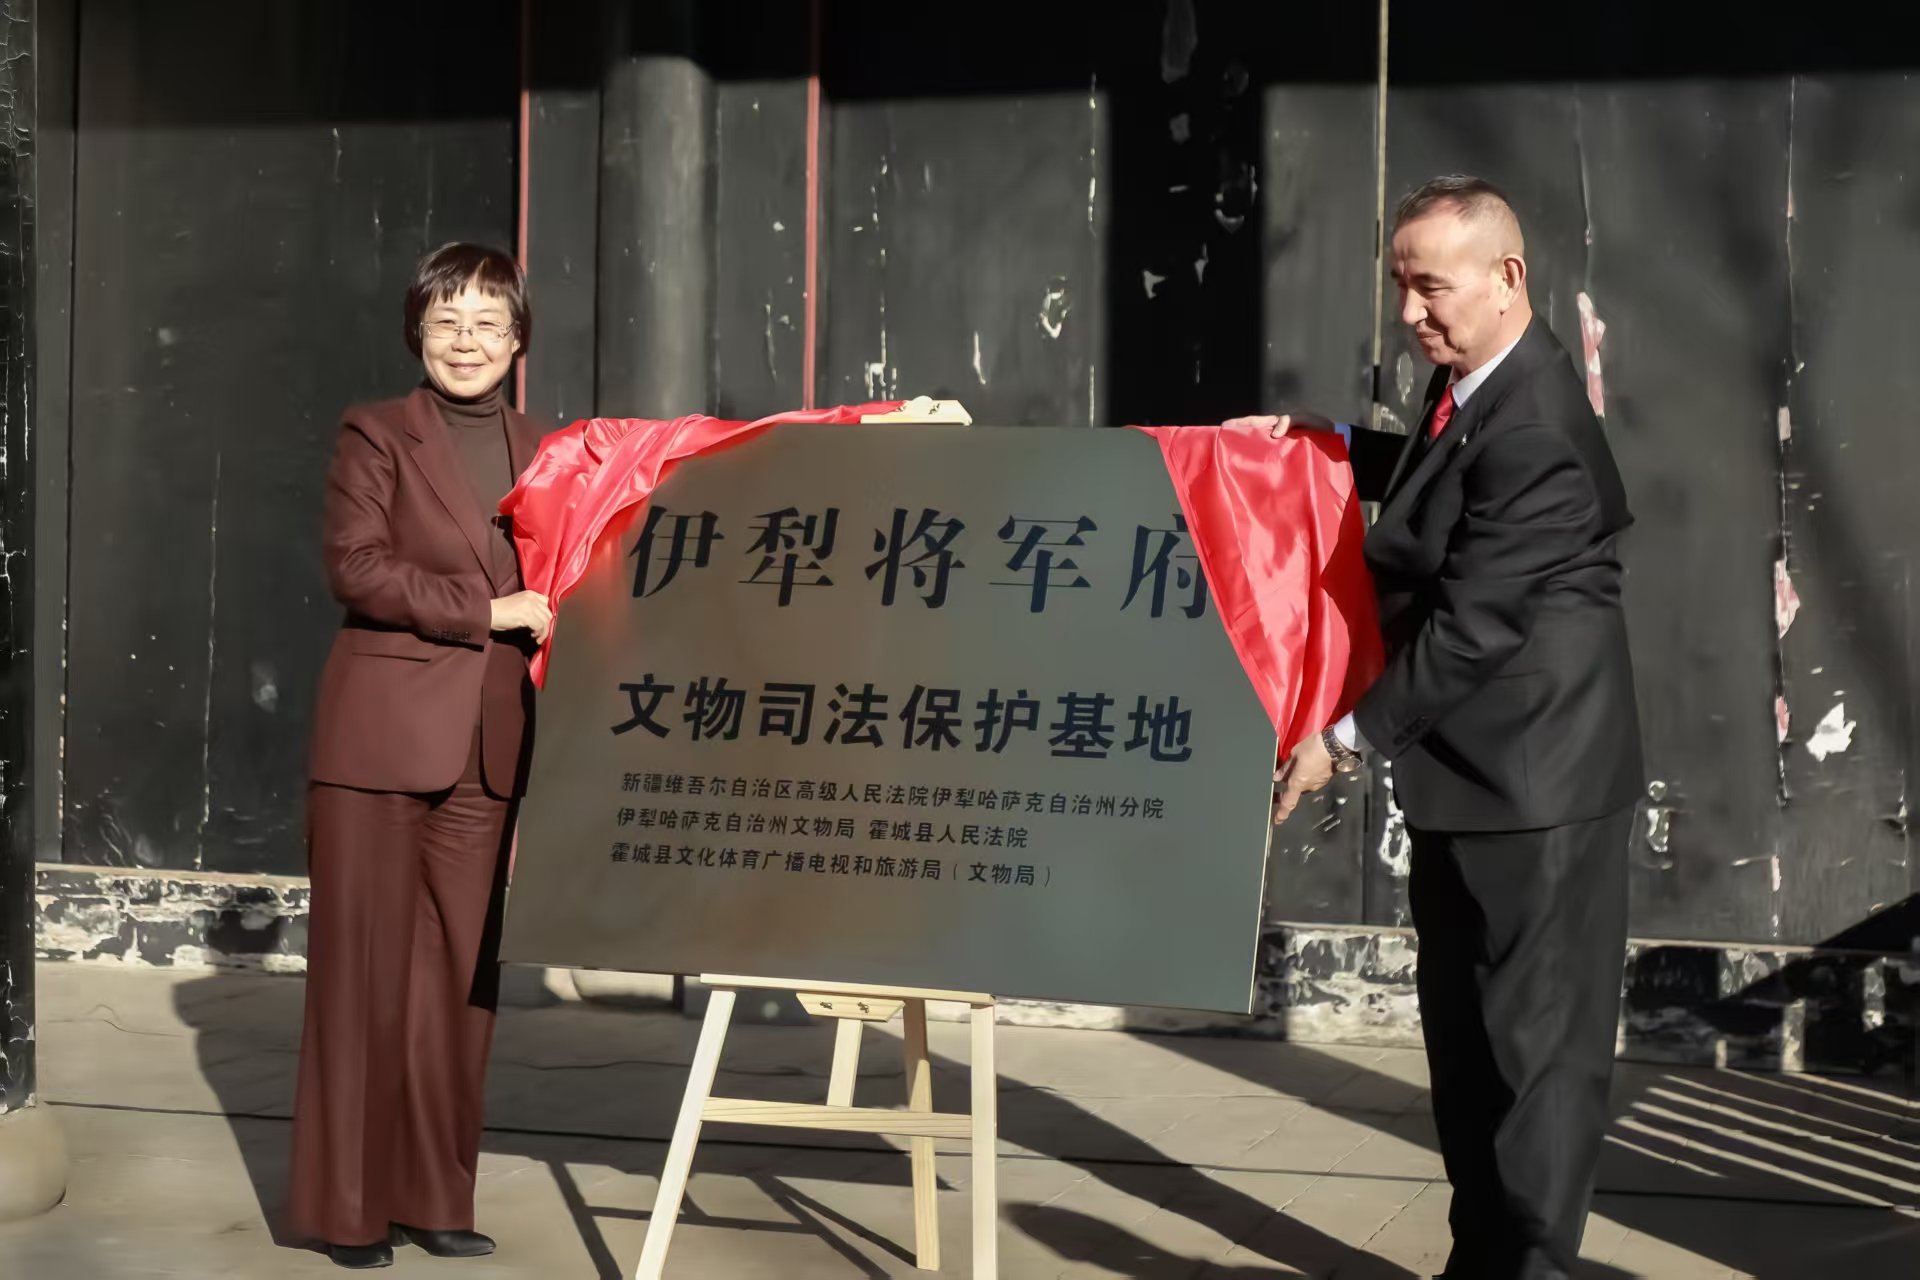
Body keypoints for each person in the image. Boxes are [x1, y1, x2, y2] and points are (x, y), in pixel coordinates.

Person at [1232, 175, 1642, 1280]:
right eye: (1400, 286)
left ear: (1507, 278)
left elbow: (1472, 628)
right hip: (1470, 778)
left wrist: (1341, 740)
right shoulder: (1476, 381)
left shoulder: (1540, 424)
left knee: (1535, 1070)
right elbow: (1439, 480)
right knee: (1466, 1054)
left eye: (1431, 287)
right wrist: (1325, 444)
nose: (1411, 312)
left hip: (1539, 793)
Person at [286, 243, 554, 1269]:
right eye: (447, 321)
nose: (466, 341)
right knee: (363, 981)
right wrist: (489, 612)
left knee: (459, 990)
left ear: (518, 338)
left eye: (488, 322)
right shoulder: (376, 433)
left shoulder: (548, 448)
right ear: (418, 333)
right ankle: (351, 1211)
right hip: (379, 738)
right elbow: (357, 568)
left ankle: (436, 1197)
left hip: (490, 748)